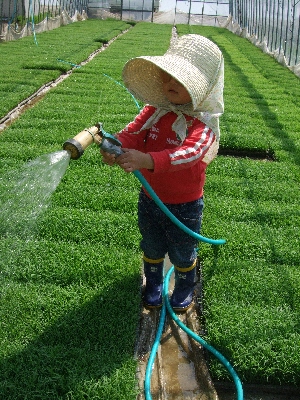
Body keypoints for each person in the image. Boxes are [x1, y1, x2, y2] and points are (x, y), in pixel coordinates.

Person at [100, 34, 224, 311]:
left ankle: (183, 285)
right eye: (167, 76)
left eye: (181, 80)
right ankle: (153, 282)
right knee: (152, 244)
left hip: (185, 204)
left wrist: (147, 159)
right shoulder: (154, 111)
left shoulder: (203, 122)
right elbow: (132, 133)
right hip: (150, 198)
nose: (171, 84)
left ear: (202, 89)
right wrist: (115, 147)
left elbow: (190, 154)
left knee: (182, 251)